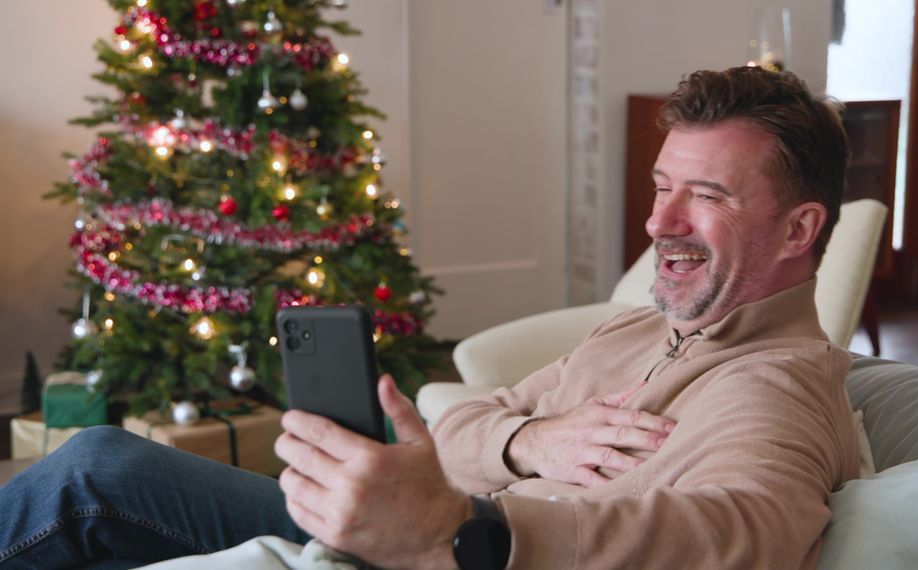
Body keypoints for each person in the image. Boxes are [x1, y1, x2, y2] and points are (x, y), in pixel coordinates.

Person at [0, 66, 858, 570]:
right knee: (98, 467)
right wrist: (528, 441)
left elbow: (734, 531)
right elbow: (461, 424)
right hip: (406, 530)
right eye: (663, 187)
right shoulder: (636, 330)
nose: (658, 223)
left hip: (432, 552)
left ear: (798, 229)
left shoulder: (774, 386)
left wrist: (472, 528)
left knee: (96, 476)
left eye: (704, 196)